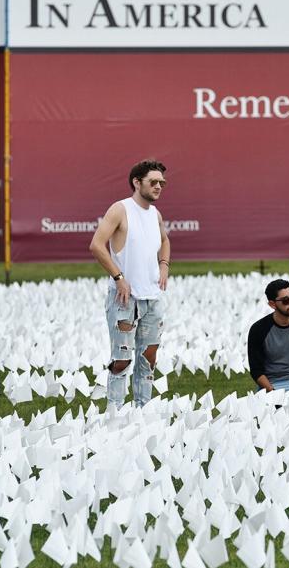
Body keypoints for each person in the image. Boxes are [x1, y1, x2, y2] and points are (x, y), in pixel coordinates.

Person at [88, 159, 171, 409]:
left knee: (149, 357)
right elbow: (96, 245)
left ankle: (142, 410)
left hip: (153, 298)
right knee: (122, 358)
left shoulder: (155, 214)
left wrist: (164, 265)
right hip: (125, 299)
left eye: (162, 183)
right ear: (137, 182)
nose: (158, 187)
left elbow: (165, 240)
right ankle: (114, 412)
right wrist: (118, 277)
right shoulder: (120, 209)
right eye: (153, 182)